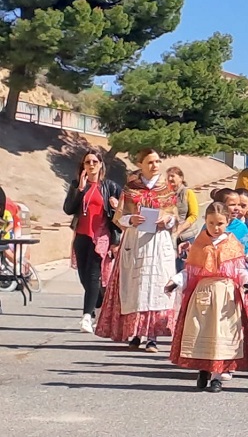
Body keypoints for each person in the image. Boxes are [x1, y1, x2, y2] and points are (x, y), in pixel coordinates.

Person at [166, 202, 248, 393]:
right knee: (202, 332)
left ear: (227, 222)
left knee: (222, 335)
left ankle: (218, 376)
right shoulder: (199, 244)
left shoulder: (233, 244)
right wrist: (176, 281)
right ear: (205, 221)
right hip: (202, 295)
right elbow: (190, 271)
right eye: (211, 223)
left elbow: (240, 270)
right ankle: (203, 369)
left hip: (226, 297)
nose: (215, 228)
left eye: (219, 223)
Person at [95, 148, 178, 352]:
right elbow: (119, 216)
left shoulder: (166, 189)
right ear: (140, 164)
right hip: (136, 240)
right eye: (150, 162)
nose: (155, 165)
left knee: (158, 286)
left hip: (158, 241)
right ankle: (135, 332)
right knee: (137, 286)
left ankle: (152, 336)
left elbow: (174, 216)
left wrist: (167, 220)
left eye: (158, 161)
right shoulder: (131, 189)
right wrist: (130, 219)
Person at [63, 150, 122, 333]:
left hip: (101, 236)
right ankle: (98, 306)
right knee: (84, 276)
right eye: (87, 162)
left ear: (101, 164)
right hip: (81, 236)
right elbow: (68, 209)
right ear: (83, 166)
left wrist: (116, 206)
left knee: (93, 275)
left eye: (95, 161)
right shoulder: (77, 185)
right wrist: (79, 190)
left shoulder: (110, 187)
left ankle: (86, 317)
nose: (91, 165)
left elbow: (125, 212)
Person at [166, 167, 199, 272]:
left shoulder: (188, 192)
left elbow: (194, 215)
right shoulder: (165, 194)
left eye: (173, 176)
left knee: (183, 267)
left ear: (181, 178)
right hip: (169, 236)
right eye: (168, 176)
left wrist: (180, 229)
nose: (170, 178)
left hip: (186, 236)